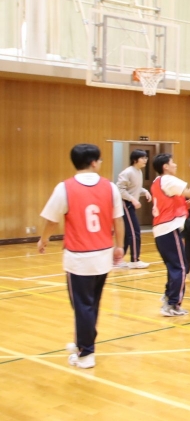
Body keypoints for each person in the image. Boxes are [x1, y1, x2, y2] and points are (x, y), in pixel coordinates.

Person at [37, 144, 125, 369]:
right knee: (91, 304)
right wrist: (120, 246)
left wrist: (44, 239)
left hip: (79, 258)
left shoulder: (64, 188)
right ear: (93, 162)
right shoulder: (110, 187)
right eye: (100, 160)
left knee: (82, 305)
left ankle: (86, 353)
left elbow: (51, 220)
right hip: (103, 255)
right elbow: (118, 220)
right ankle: (82, 343)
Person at [151, 153, 190, 316]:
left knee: (174, 267)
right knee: (180, 267)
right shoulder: (168, 180)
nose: (175, 165)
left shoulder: (157, 181)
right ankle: (172, 304)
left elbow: (168, 203)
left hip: (160, 230)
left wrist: (183, 205)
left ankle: (168, 298)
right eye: (173, 162)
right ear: (165, 166)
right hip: (168, 229)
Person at [116, 149, 151, 269]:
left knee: (127, 233)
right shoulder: (127, 172)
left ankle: (118, 260)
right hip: (125, 205)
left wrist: (145, 191)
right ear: (135, 160)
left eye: (146, 157)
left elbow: (135, 188)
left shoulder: (139, 172)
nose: (145, 160)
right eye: (143, 158)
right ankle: (135, 260)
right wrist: (132, 199)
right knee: (135, 232)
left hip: (130, 205)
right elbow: (120, 190)